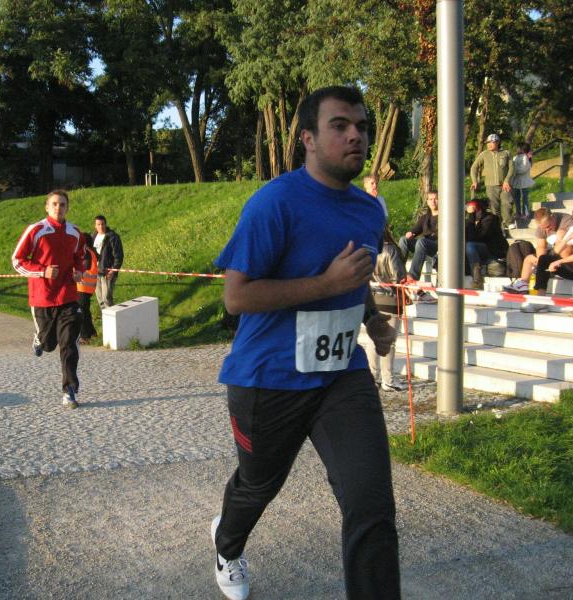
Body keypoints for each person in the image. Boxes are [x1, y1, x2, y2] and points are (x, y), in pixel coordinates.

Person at [211, 86, 400, 600]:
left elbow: (354, 277)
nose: (356, 135)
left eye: (362, 126)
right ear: (308, 139)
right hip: (268, 378)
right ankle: (227, 544)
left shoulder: (369, 211)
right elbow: (236, 297)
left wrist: (372, 321)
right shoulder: (275, 203)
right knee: (258, 485)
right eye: (340, 126)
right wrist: (325, 284)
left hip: (341, 375)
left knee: (371, 505)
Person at [12, 190, 85, 408]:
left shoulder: (75, 232)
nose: (58, 208)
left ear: (67, 207)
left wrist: (79, 271)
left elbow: (80, 257)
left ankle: (69, 391)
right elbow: (17, 260)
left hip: (68, 295)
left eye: (62, 204)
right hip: (42, 297)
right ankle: (39, 339)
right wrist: (42, 271)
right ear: (47, 207)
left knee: (69, 344)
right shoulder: (36, 230)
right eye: (54, 204)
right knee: (49, 344)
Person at [521, 206, 573, 316]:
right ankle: (540, 300)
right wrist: (566, 240)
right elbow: (556, 251)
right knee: (544, 259)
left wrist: (560, 262)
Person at [364, 175, 404, 392]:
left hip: (373, 297)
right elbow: (399, 277)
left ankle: (374, 376)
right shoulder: (391, 250)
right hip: (390, 299)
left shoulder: (368, 250)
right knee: (389, 341)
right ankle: (389, 379)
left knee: (373, 340)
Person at [503, 207, 573, 293]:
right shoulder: (542, 226)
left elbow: (570, 244)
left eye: (548, 226)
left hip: (568, 253)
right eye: (544, 228)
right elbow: (541, 246)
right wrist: (540, 260)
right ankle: (523, 284)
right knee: (529, 259)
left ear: (552, 217)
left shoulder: (566, 220)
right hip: (553, 253)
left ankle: (559, 272)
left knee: (562, 237)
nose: (547, 230)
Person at [397, 191, 438, 303]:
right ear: (427, 201)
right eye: (430, 199)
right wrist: (411, 233)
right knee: (403, 240)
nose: (433, 201)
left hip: (437, 245)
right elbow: (415, 229)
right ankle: (399, 272)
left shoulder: (444, 216)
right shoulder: (425, 217)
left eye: (435, 199)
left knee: (421, 242)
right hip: (424, 245)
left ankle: (412, 277)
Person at [470, 133, 515, 231]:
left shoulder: (506, 153)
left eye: (492, 142)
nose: (489, 144)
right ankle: (497, 225)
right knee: (494, 206)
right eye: (488, 142)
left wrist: (507, 180)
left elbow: (512, 168)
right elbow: (474, 168)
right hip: (490, 185)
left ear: (498, 142)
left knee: (507, 203)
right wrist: (475, 181)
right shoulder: (484, 154)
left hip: (505, 184)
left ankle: (509, 222)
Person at [465, 199, 508, 289]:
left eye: (474, 211)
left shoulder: (490, 219)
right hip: (479, 251)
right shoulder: (470, 221)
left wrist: (471, 217)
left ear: (480, 210)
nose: (470, 213)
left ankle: (477, 279)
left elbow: (478, 237)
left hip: (492, 250)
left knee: (470, 246)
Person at [92, 214, 124, 312]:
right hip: (96, 272)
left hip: (107, 273)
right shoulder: (93, 237)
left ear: (106, 224)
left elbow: (118, 256)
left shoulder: (112, 237)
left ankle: (113, 318)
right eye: (98, 224)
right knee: (100, 299)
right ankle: (106, 318)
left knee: (106, 298)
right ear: (95, 226)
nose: (101, 226)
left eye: (102, 224)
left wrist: (113, 270)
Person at [76, 232, 99, 343]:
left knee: (82, 312)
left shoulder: (86, 253)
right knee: (85, 311)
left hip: (83, 286)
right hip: (87, 287)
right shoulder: (91, 252)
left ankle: (85, 336)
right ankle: (92, 333)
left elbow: (83, 267)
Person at [511, 142, 534, 218]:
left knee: (525, 198)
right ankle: (518, 213)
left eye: (518, 148)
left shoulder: (525, 157)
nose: (516, 149)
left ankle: (525, 213)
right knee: (516, 198)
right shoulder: (515, 157)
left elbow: (523, 169)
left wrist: (514, 171)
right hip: (516, 181)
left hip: (524, 181)